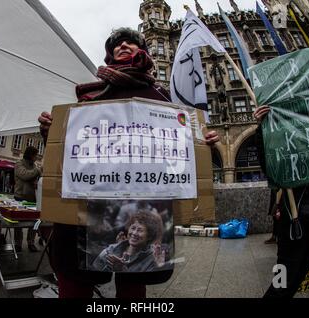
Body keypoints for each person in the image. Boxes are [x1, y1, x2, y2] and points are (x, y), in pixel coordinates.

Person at [38, 27, 220, 298]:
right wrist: (52, 131)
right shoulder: (90, 96)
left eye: (130, 42)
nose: (123, 45)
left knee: (134, 282)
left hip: (141, 204)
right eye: (117, 44)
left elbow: (176, 148)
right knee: (75, 280)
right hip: (88, 203)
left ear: (142, 51)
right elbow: (68, 149)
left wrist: (201, 144)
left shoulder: (162, 98)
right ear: (110, 54)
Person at [253, 105, 309, 298]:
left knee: (299, 276)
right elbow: (270, 167)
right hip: (294, 220)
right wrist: (261, 128)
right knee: (282, 280)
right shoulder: (286, 138)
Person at [92, 211, 163, 272]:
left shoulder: (151, 259)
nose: (134, 233)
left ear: (149, 236)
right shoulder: (111, 250)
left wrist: (122, 270)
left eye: (140, 230)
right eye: (133, 228)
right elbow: (95, 274)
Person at [13, 146, 42, 252]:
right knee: (18, 223)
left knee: (34, 222)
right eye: (35, 155)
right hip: (20, 197)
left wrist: (37, 182)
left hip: (32, 198)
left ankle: (31, 242)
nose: (37, 157)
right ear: (30, 154)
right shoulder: (19, 163)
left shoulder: (34, 166)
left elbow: (38, 178)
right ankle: (18, 243)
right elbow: (25, 175)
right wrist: (38, 171)